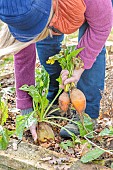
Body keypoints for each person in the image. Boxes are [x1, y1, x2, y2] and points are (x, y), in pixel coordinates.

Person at [0, 0, 113, 141]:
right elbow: (23, 54)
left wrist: (80, 65)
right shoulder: (17, 6)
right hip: (50, 10)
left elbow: (100, 28)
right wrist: (26, 109)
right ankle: (57, 97)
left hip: (89, 6)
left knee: (89, 46)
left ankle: (86, 114)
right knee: (46, 43)